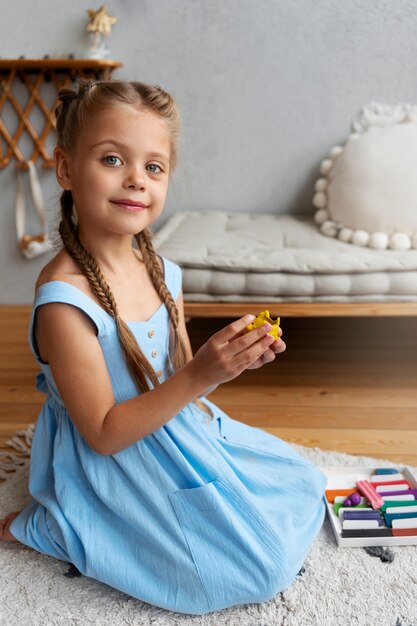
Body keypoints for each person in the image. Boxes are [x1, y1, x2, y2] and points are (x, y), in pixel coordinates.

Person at [0, 79, 326, 615]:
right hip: (110, 452)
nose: (135, 179)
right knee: (256, 567)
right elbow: (104, 435)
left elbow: (174, 371)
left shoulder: (163, 270)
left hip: (168, 423)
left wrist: (228, 362)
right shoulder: (64, 302)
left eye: (154, 167)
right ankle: (61, 522)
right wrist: (201, 376)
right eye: (111, 159)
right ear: (65, 169)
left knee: (300, 483)